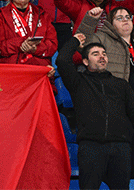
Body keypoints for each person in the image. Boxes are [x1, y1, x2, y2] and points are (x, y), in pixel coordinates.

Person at [56, 34, 134, 190]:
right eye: (96, 54)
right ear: (85, 62)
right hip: (91, 147)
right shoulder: (78, 82)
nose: (102, 57)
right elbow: (62, 61)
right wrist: (75, 41)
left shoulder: (121, 85)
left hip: (121, 147)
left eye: (104, 54)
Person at [0, 0, 56, 82]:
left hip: (38, 71)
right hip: (11, 72)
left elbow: (52, 44)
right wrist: (21, 44)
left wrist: (35, 49)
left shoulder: (43, 15)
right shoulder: (0, 16)